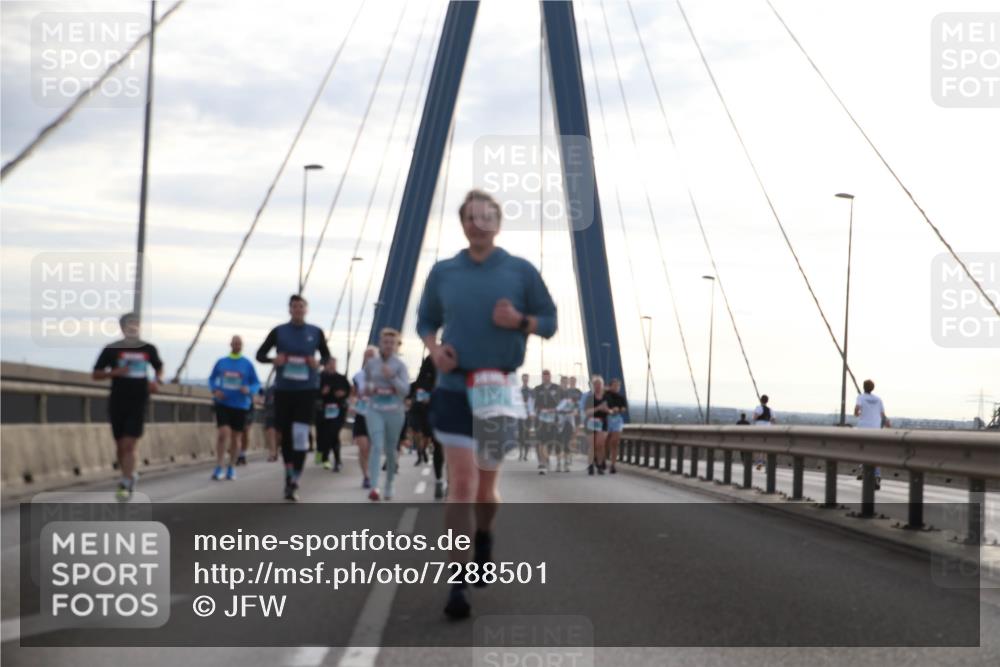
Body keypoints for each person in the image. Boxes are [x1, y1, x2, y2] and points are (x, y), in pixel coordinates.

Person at [416, 189, 557, 619]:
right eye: (471, 217)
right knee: (460, 484)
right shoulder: (444, 272)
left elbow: (549, 322)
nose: (479, 223)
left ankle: (485, 534)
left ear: (498, 223)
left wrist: (521, 322)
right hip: (455, 388)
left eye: (487, 216)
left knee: (484, 491)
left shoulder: (520, 271)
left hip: (497, 389)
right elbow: (425, 321)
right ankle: (457, 585)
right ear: (462, 223)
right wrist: (433, 348)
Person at [256, 294, 330, 501]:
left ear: (306, 310)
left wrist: (319, 363)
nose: (298, 310)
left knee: (300, 436)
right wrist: (273, 359)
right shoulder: (279, 332)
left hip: (306, 391)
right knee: (285, 438)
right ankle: (289, 477)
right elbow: (260, 355)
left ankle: (295, 479)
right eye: (294, 307)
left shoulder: (315, 332)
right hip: (284, 391)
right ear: (290, 310)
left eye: (301, 307)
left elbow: (326, 356)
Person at [92, 312, 164, 500]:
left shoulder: (148, 348)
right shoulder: (111, 349)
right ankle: (129, 474)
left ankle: (125, 481)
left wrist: (157, 381)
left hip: (139, 400)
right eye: (129, 325)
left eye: (136, 325)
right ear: (122, 328)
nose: (133, 328)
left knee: (129, 444)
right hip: (118, 401)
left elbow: (159, 367)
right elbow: (96, 374)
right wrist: (115, 372)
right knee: (119, 446)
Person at [363, 328, 410, 501]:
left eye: (392, 343)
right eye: (385, 342)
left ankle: (389, 484)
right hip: (375, 409)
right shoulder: (371, 364)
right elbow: (364, 388)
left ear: (397, 346)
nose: (388, 345)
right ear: (380, 344)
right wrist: (370, 388)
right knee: (376, 445)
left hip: (394, 412)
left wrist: (392, 378)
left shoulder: (400, 366)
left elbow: (405, 390)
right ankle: (374, 487)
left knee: (390, 450)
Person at [208, 335, 260, 481]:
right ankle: (219, 466)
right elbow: (212, 379)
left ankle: (231, 467)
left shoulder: (247, 364)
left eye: (239, 343)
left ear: (242, 346)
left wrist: (249, 389)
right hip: (223, 403)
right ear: (230, 344)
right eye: (234, 343)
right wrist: (215, 390)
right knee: (223, 433)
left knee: (236, 437)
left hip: (240, 405)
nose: (237, 345)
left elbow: (256, 383)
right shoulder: (222, 362)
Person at [855, 379, 889, 489]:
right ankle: (877, 475)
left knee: (862, 450)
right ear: (873, 388)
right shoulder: (878, 399)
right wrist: (887, 424)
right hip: (876, 429)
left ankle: (864, 470)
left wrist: (858, 413)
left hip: (863, 428)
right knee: (875, 452)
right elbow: (883, 415)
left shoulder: (860, 397)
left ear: (863, 387)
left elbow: (856, 411)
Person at [317, 357, 350, 471]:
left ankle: (337, 460)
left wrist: (343, 394)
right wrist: (322, 393)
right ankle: (324, 457)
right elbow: (313, 394)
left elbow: (349, 391)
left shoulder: (341, 378)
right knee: (324, 436)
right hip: (323, 411)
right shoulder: (319, 377)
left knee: (334, 433)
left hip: (338, 410)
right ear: (325, 365)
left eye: (333, 364)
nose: (332, 366)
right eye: (329, 364)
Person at [351, 346, 377, 489]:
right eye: (367, 356)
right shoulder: (357, 376)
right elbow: (353, 395)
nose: (369, 359)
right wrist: (353, 403)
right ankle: (366, 476)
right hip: (361, 414)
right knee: (363, 447)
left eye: (372, 356)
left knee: (372, 448)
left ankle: (371, 472)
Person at [533, 369, 561, 475]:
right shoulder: (537, 389)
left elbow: (562, 402)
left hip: (553, 419)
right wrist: (533, 413)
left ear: (550, 376)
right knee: (541, 440)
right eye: (544, 375)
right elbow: (532, 403)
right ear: (542, 377)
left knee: (551, 441)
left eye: (547, 375)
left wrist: (555, 410)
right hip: (540, 418)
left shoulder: (556, 388)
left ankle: (546, 457)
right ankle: (543, 463)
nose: (546, 377)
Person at [582, 375, 611, 475]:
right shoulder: (589, 398)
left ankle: (599, 465)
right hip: (590, 422)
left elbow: (611, 411)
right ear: (593, 386)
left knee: (600, 445)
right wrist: (598, 408)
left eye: (599, 384)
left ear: (602, 386)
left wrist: (607, 410)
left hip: (602, 423)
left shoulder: (606, 398)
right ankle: (590, 465)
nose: (598, 386)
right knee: (592, 445)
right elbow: (587, 412)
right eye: (596, 384)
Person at [604, 378, 627, 474]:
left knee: (614, 442)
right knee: (605, 442)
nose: (617, 387)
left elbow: (624, 409)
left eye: (618, 386)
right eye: (615, 385)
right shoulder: (605, 396)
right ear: (610, 386)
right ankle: (603, 460)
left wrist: (619, 409)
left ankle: (613, 465)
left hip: (617, 420)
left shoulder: (621, 397)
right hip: (606, 419)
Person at [554, 376, 577, 472]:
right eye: (563, 382)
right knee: (558, 442)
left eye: (566, 382)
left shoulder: (571, 393)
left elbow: (576, 407)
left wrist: (575, 412)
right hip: (558, 420)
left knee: (567, 441)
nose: (565, 383)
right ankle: (558, 464)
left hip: (569, 420)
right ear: (560, 382)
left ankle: (566, 464)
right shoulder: (555, 393)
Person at [752, 394, 775, 469]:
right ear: (767, 401)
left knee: (758, 445)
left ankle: (759, 461)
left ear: (761, 400)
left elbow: (754, 418)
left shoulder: (759, 408)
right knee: (765, 446)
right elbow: (773, 420)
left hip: (759, 428)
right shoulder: (770, 410)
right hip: (768, 429)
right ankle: (764, 461)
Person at [518, 373, 535, 461]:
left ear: (528, 380)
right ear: (522, 379)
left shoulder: (531, 391)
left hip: (528, 415)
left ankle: (526, 454)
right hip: (520, 415)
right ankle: (520, 453)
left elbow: (533, 403)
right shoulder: (518, 390)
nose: (525, 380)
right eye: (524, 379)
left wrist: (532, 413)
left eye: (526, 379)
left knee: (528, 434)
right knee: (520, 434)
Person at [262, 384, 279, 461]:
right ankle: (272, 453)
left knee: (279, 435)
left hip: (281, 413)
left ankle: (276, 450)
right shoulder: (270, 389)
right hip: (270, 413)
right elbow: (265, 401)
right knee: (271, 432)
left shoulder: (287, 387)